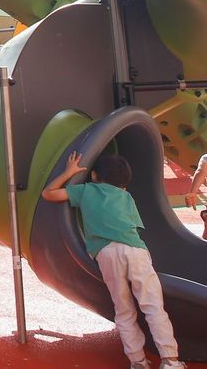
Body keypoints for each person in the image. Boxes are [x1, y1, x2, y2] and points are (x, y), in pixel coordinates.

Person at [42, 152, 185, 369]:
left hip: (107, 253)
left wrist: (68, 172)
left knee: (124, 309)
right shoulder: (127, 197)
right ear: (124, 183)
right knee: (153, 306)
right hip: (136, 251)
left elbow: (49, 194)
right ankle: (170, 360)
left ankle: (137, 361)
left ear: (95, 175)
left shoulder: (86, 190)